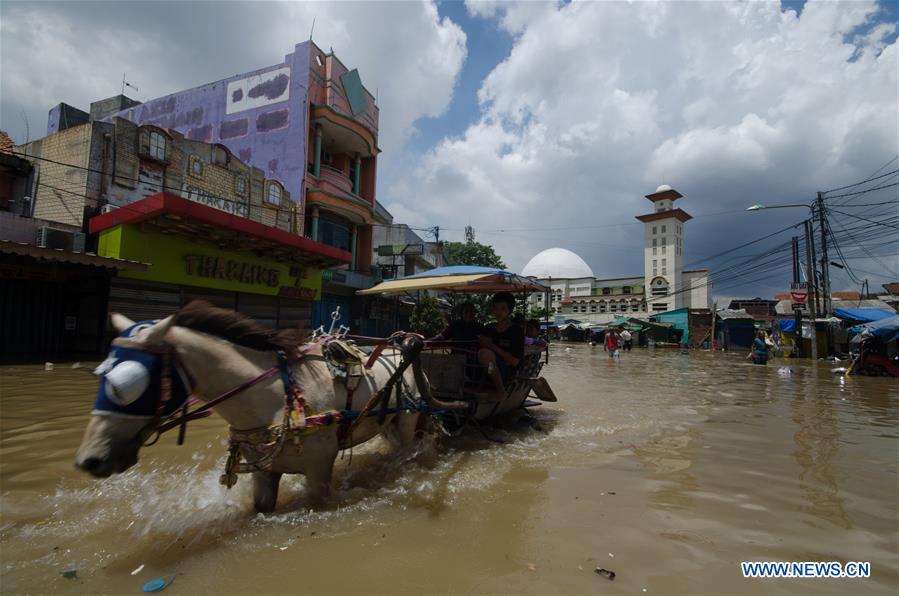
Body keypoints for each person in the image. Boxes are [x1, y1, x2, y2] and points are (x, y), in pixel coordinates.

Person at [478, 292, 525, 401]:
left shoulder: (516, 331)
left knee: (485, 354)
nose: (498, 312)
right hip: (484, 369)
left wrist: (491, 345)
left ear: (510, 310)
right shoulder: (489, 328)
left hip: (506, 370)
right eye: (496, 308)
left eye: (503, 308)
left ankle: (501, 391)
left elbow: (514, 361)